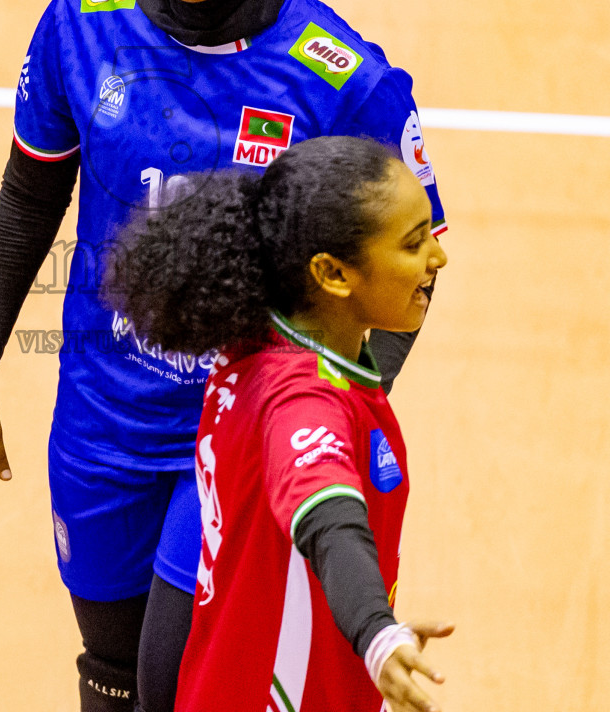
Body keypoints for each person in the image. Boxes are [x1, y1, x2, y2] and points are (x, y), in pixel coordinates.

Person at [0, 0, 449, 712]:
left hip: (232, 432)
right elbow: (28, 197)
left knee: (173, 682)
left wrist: (327, 413)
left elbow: (410, 259)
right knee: (107, 661)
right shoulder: (80, 23)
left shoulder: (343, 78)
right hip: (99, 421)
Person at [105, 135, 453, 712]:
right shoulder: (300, 401)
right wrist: (375, 631)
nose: (438, 259)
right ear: (333, 273)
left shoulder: (258, 344)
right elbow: (327, 516)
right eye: (414, 244)